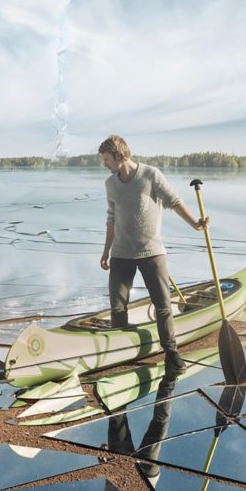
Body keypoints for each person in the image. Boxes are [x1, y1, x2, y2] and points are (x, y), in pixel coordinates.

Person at [98, 134, 210, 388]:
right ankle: (120, 353)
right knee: (118, 307)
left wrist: (195, 224)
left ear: (118, 155)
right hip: (121, 254)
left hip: (152, 252)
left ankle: (172, 353)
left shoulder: (151, 175)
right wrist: (105, 251)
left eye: (106, 159)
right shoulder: (110, 184)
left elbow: (175, 201)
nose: (104, 164)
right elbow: (111, 219)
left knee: (162, 305)